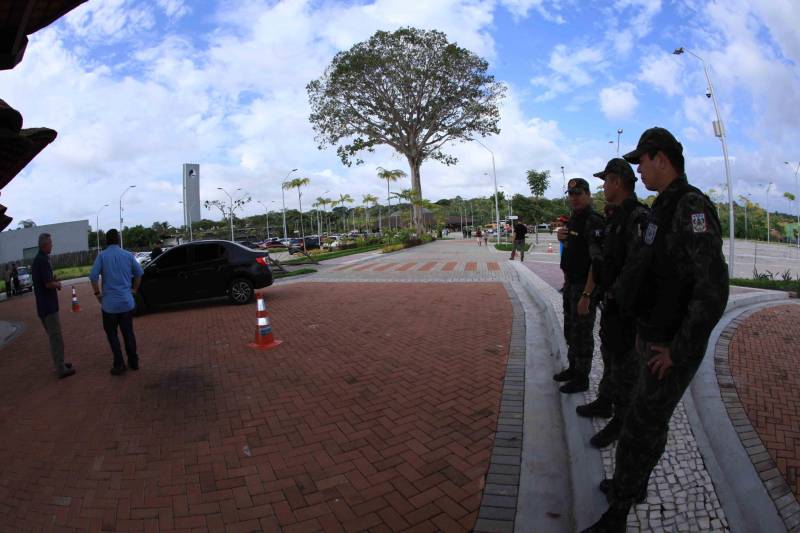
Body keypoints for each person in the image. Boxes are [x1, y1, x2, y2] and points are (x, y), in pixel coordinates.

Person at [581, 128, 729, 532]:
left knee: (638, 428)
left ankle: (619, 511)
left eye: (641, 161)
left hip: (670, 345)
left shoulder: (691, 206)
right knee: (648, 422)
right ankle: (635, 484)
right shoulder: (662, 207)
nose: (638, 170)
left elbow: (712, 289)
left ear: (660, 158)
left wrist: (678, 352)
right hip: (651, 333)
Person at [575, 158, 650, 450]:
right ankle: (606, 401)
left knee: (627, 367)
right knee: (611, 358)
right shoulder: (616, 217)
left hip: (628, 310)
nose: (603, 186)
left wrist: (616, 297)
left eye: (606, 181)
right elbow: (606, 260)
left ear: (617, 181)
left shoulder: (638, 217)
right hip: (612, 305)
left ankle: (622, 418)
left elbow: (638, 267)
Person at [553, 178, 604, 394]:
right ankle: (573, 368)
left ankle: (582, 377)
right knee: (571, 330)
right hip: (571, 284)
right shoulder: (575, 219)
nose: (574, 198)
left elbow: (596, 261)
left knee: (582, 333)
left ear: (588, 194)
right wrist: (561, 238)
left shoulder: (593, 220)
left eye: (578, 193)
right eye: (571, 194)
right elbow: (574, 249)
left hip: (584, 286)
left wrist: (587, 295)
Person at [89, 229, 144, 375]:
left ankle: (119, 364)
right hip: (126, 303)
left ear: (107, 241)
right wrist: (134, 289)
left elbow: (93, 276)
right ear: (118, 239)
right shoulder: (127, 255)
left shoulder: (102, 257)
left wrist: (97, 294)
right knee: (128, 334)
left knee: (112, 335)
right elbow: (139, 273)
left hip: (109, 305)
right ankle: (134, 361)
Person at [31, 233, 75, 379]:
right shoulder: (43, 260)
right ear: (45, 245)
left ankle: (59, 363)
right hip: (48, 307)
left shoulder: (39, 260)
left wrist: (52, 280)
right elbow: (48, 284)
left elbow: (45, 281)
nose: (52, 245)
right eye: (50, 243)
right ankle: (60, 368)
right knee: (56, 337)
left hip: (43, 306)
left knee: (54, 336)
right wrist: (57, 284)